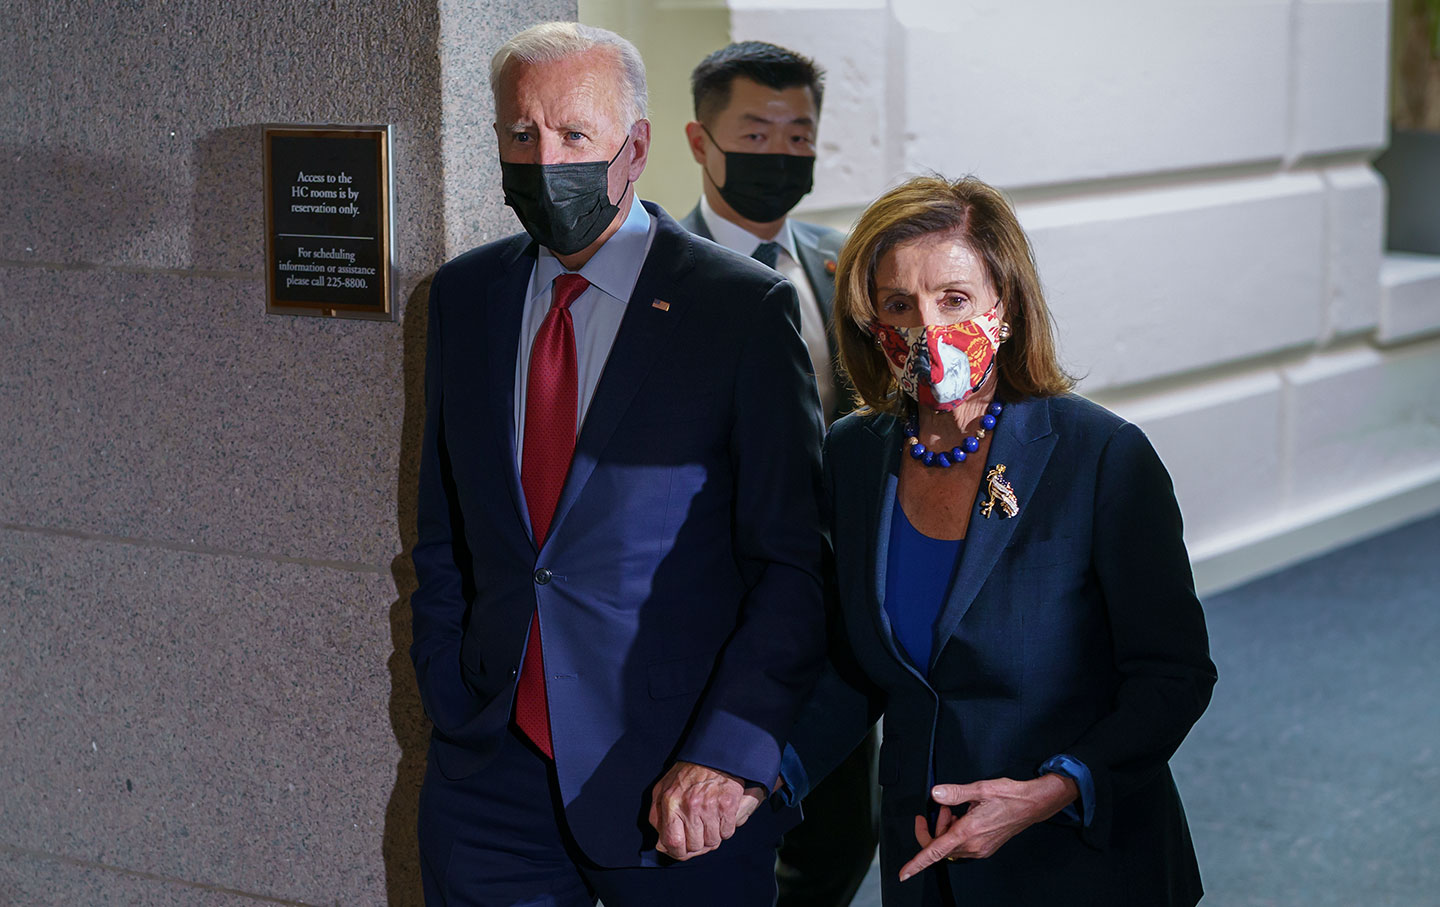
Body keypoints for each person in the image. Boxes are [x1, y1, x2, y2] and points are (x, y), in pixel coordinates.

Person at [409, 22, 827, 906]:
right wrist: (451, 692)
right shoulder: (465, 296)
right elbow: (447, 526)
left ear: (633, 148)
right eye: (521, 135)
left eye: (573, 135)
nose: (543, 157)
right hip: (490, 777)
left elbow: (791, 567)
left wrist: (729, 753)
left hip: (677, 784)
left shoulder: (740, 309)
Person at [777, 175, 1217, 906]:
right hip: (923, 861)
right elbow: (862, 664)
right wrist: (765, 776)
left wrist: (1053, 789)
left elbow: (1174, 676)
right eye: (898, 305)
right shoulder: (855, 455)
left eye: (953, 299)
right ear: (870, 323)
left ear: (1004, 307)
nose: (927, 327)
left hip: (1078, 862)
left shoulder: (1102, 455)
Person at [680, 41, 877, 907]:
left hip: (844, 606)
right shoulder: (661, 272)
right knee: (720, 822)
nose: (780, 153)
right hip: (723, 604)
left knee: (842, 828)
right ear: (699, 140)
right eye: (756, 132)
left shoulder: (847, 266)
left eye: (798, 135)